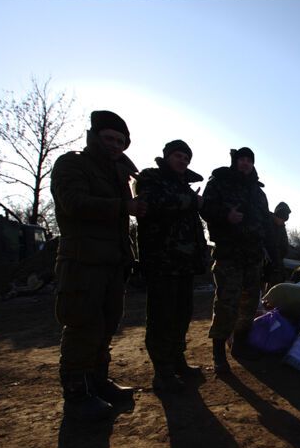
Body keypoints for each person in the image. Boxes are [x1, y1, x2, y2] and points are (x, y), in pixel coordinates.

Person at [50, 110, 148, 422]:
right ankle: (77, 395)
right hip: (82, 261)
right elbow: (73, 203)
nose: (115, 145)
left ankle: (98, 382)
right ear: (94, 136)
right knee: (82, 324)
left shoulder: (118, 172)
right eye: (109, 138)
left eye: (121, 141)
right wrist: (124, 205)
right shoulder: (72, 164)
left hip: (112, 263)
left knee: (107, 324)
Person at [135, 139, 208, 394]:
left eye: (186, 158)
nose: (182, 161)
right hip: (162, 263)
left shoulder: (184, 186)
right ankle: (162, 373)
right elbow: (154, 203)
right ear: (166, 157)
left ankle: (178, 361)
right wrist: (191, 201)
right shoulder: (149, 178)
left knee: (181, 315)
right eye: (178, 156)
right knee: (161, 318)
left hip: (184, 265)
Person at [200, 147, 272, 374]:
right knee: (226, 304)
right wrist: (225, 216)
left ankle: (239, 346)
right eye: (241, 159)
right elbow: (206, 208)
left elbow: (266, 223)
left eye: (249, 160)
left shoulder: (258, 192)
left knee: (249, 304)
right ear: (235, 161)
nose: (245, 163)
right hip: (229, 254)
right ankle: (218, 353)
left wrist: (266, 249)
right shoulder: (220, 182)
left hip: (253, 257)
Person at [263, 201, 291, 293]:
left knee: (279, 279)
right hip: (264, 259)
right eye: (282, 219)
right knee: (259, 282)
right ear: (276, 216)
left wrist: (279, 258)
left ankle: (270, 301)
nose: (282, 222)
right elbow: (265, 242)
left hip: (276, 260)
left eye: (284, 221)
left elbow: (284, 245)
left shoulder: (282, 227)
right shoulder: (266, 222)